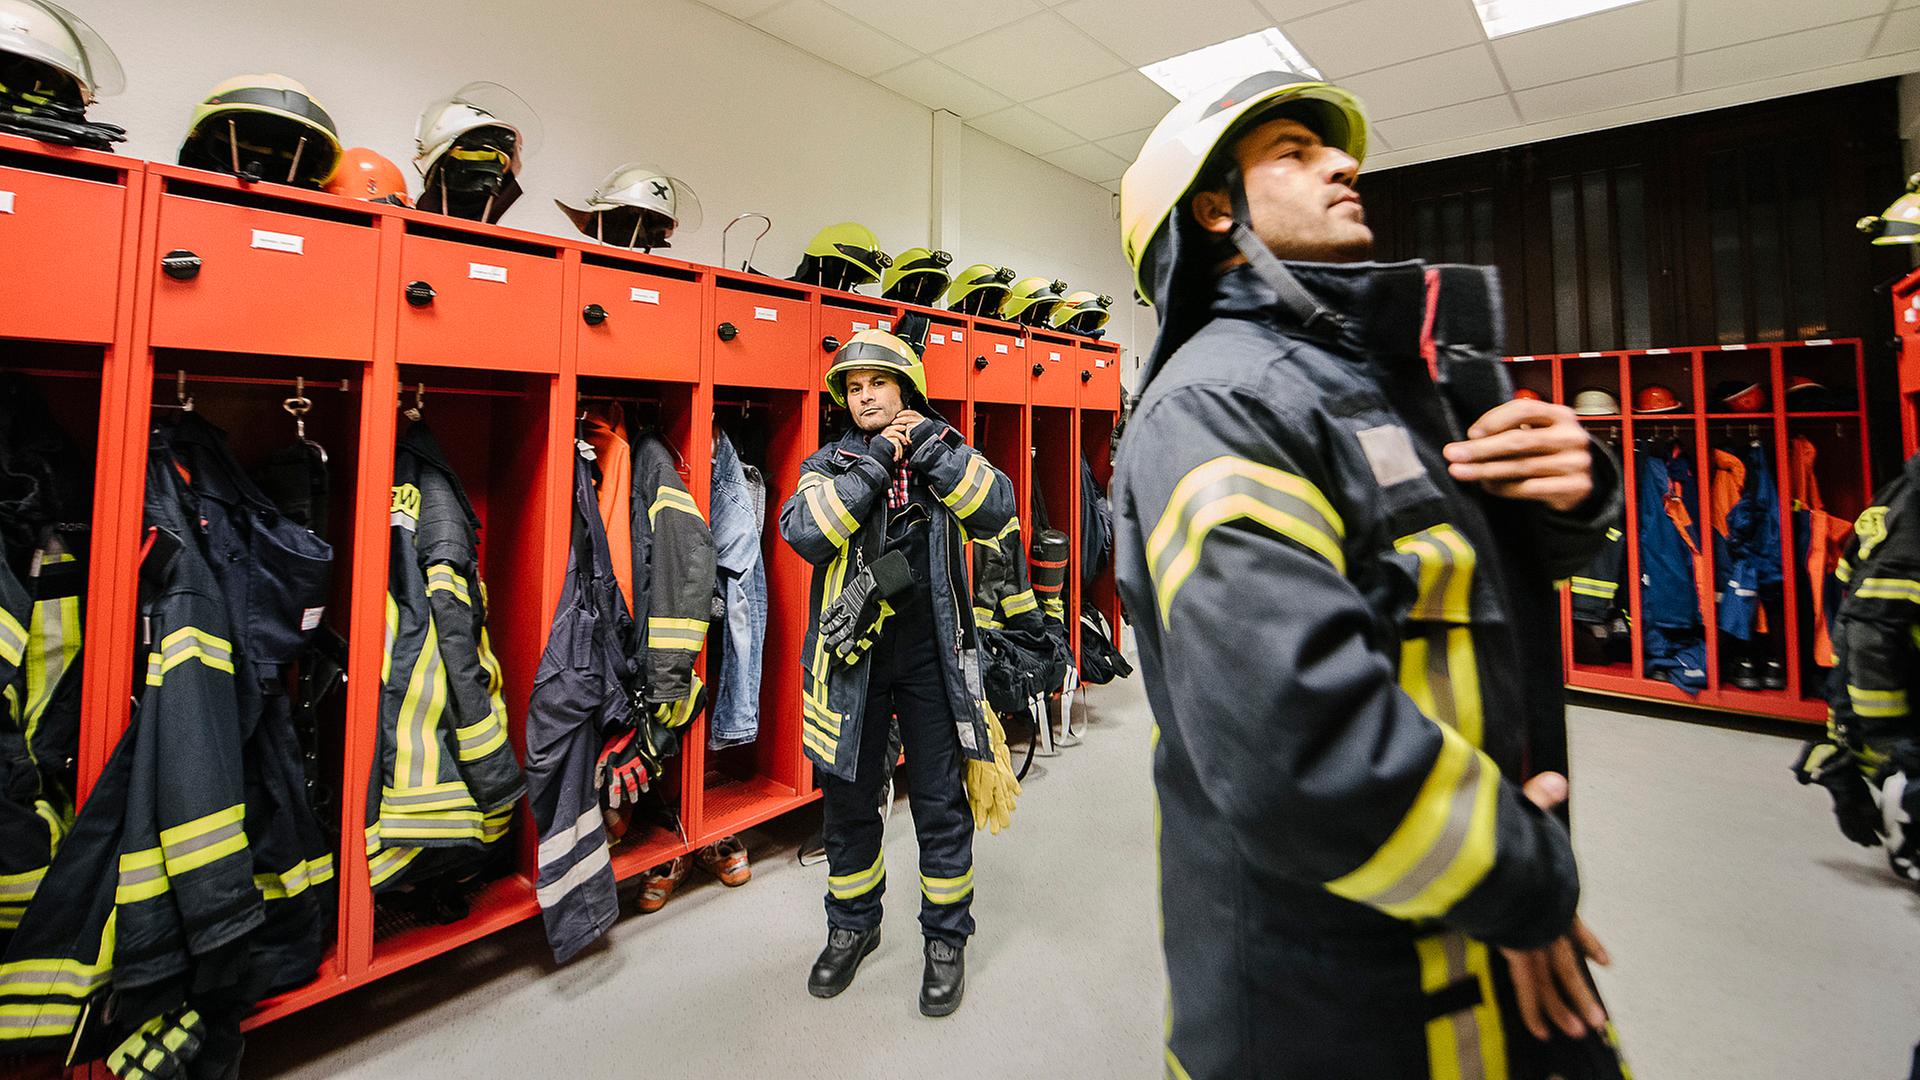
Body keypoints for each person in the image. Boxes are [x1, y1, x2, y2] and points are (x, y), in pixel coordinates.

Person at [1112, 71, 1630, 1078]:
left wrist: (1573, 498)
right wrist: (1528, 882)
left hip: (1468, 912)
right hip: (1331, 993)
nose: (1345, 164)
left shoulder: (1367, 379)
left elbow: (1455, 594)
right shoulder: (1220, 404)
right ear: (1216, 209)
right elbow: (1296, 744)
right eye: (1294, 152)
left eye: (1333, 149)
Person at [778, 329, 1017, 1017]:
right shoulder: (829, 463)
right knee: (849, 806)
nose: (866, 396)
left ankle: (946, 940)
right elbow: (806, 533)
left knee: (942, 802)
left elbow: (997, 508)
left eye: (878, 383)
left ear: (906, 388)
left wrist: (935, 451)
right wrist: (876, 463)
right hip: (851, 664)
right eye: (854, 388)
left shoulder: (945, 450)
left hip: (931, 657)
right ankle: (853, 926)